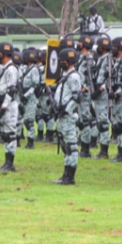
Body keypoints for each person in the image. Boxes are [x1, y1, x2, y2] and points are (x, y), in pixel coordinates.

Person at [53, 48, 82, 185]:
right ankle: (65, 174)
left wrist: (66, 109)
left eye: (63, 60)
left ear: (69, 61)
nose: (61, 63)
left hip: (69, 115)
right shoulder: (65, 76)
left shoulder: (74, 77)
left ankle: (70, 176)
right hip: (62, 115)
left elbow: (77, 97)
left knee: (71, 145)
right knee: (65, 145)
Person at [0, 42, 19, 172]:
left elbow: (11, 90)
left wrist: (3, 107)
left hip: (8, 105)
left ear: (4, 53)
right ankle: (6, 162)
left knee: (10, 134)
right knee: (5, 134)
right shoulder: (4, 68)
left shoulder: (11, 69)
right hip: (3, 103)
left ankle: (10, 163)